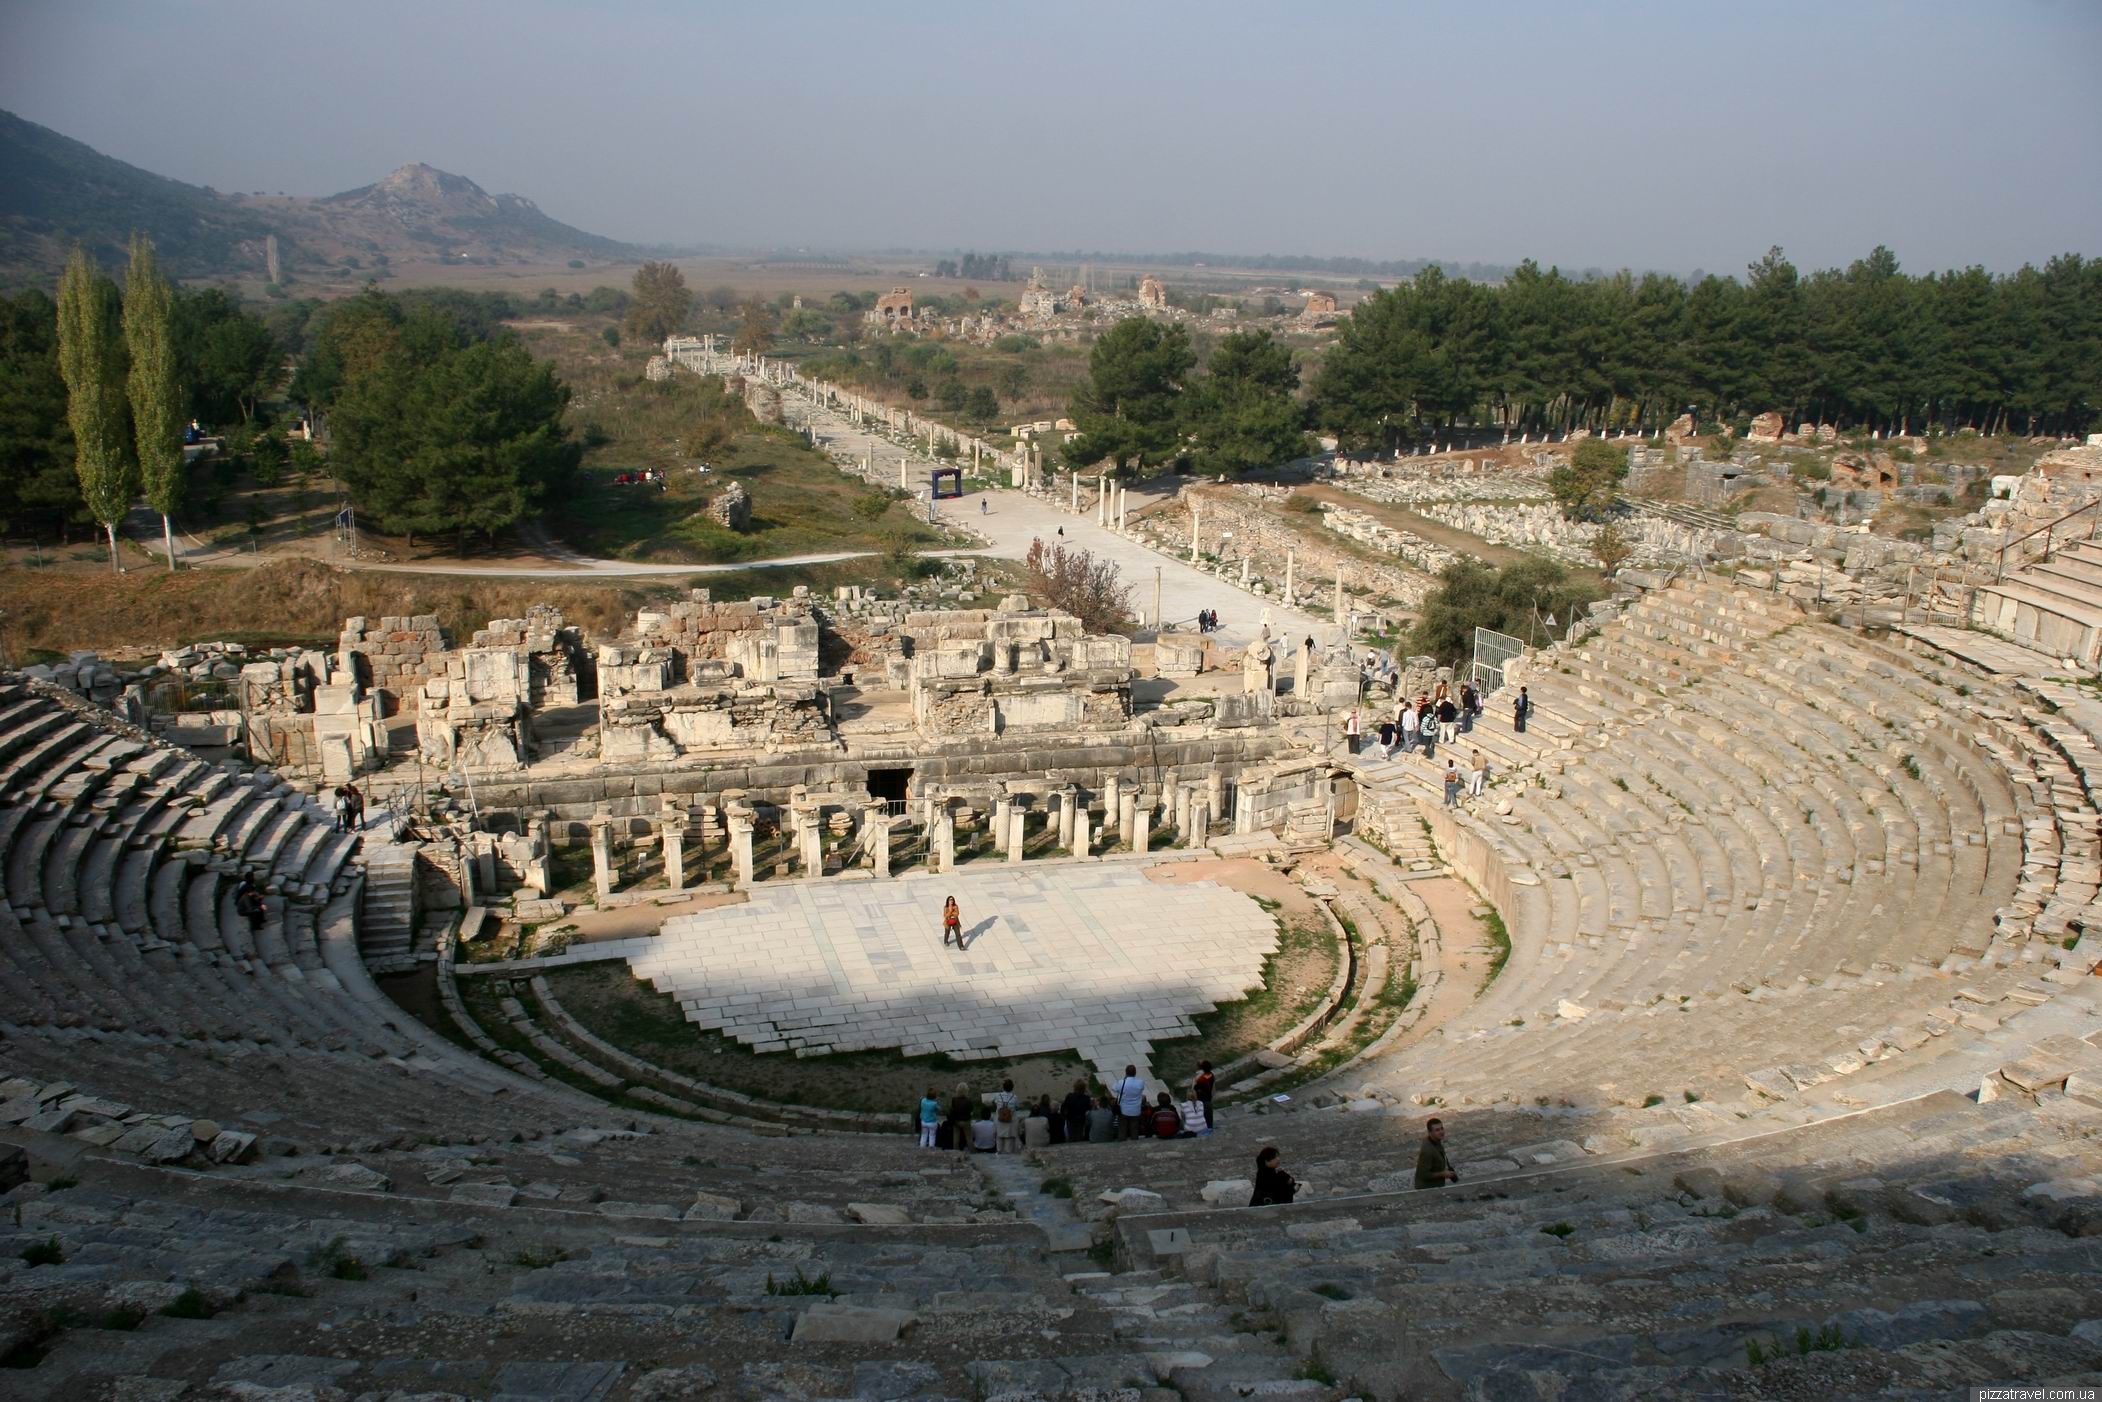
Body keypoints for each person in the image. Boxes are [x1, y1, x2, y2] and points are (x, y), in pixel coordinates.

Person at [1415, 1117, 1458, 1189]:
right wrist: (1442, 1174)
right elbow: (1423, 1175)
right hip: (1427, 1190)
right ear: (1430, 1132)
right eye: (1437, 1130)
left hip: (1436, 1187)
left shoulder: (1435, 1140)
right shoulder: (1427, 1150)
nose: (1441, 1132)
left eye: (1442, 1128)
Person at [1112, 1065, 1148, 1140]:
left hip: (1123, 1110)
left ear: (1126, 1072)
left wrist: (1124, 1079)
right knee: (1134, 1129)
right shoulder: (1140, 1082)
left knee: (1122, 1129)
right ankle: (1134, 1142)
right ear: (1135, 1072)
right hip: (1136, 1110)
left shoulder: (1122, 1082)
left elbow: (1114, 1088)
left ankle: (1122, 1142)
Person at [1061, 1078, 1094, 1145]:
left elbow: (1063, 1107)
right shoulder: (1086, 1098)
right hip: (1081, 1119)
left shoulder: (1070, 1096)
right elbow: (1089, 1108)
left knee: (1071, 1136)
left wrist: (1065, 1117)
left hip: (1071, 1119)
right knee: (1079, 1136)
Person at [947, 1081, 974, 1152]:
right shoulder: (968, 1100)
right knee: (969, 1138)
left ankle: (955, 1152)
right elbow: (971, 1110)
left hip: (956, 1121)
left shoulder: (954, 1100)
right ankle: (972, 1151)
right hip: (966, 1121)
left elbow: (952, 1110)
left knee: (956, 1138)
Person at [1192, 1060, 1215, 1131]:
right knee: (1209, 1114)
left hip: (1200, 1098)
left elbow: (1194, 1088)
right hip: (1208, 1098)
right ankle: (1209, 1127)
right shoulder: (1211, 1075)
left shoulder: (1198, 1078)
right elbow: (1213, 1088)